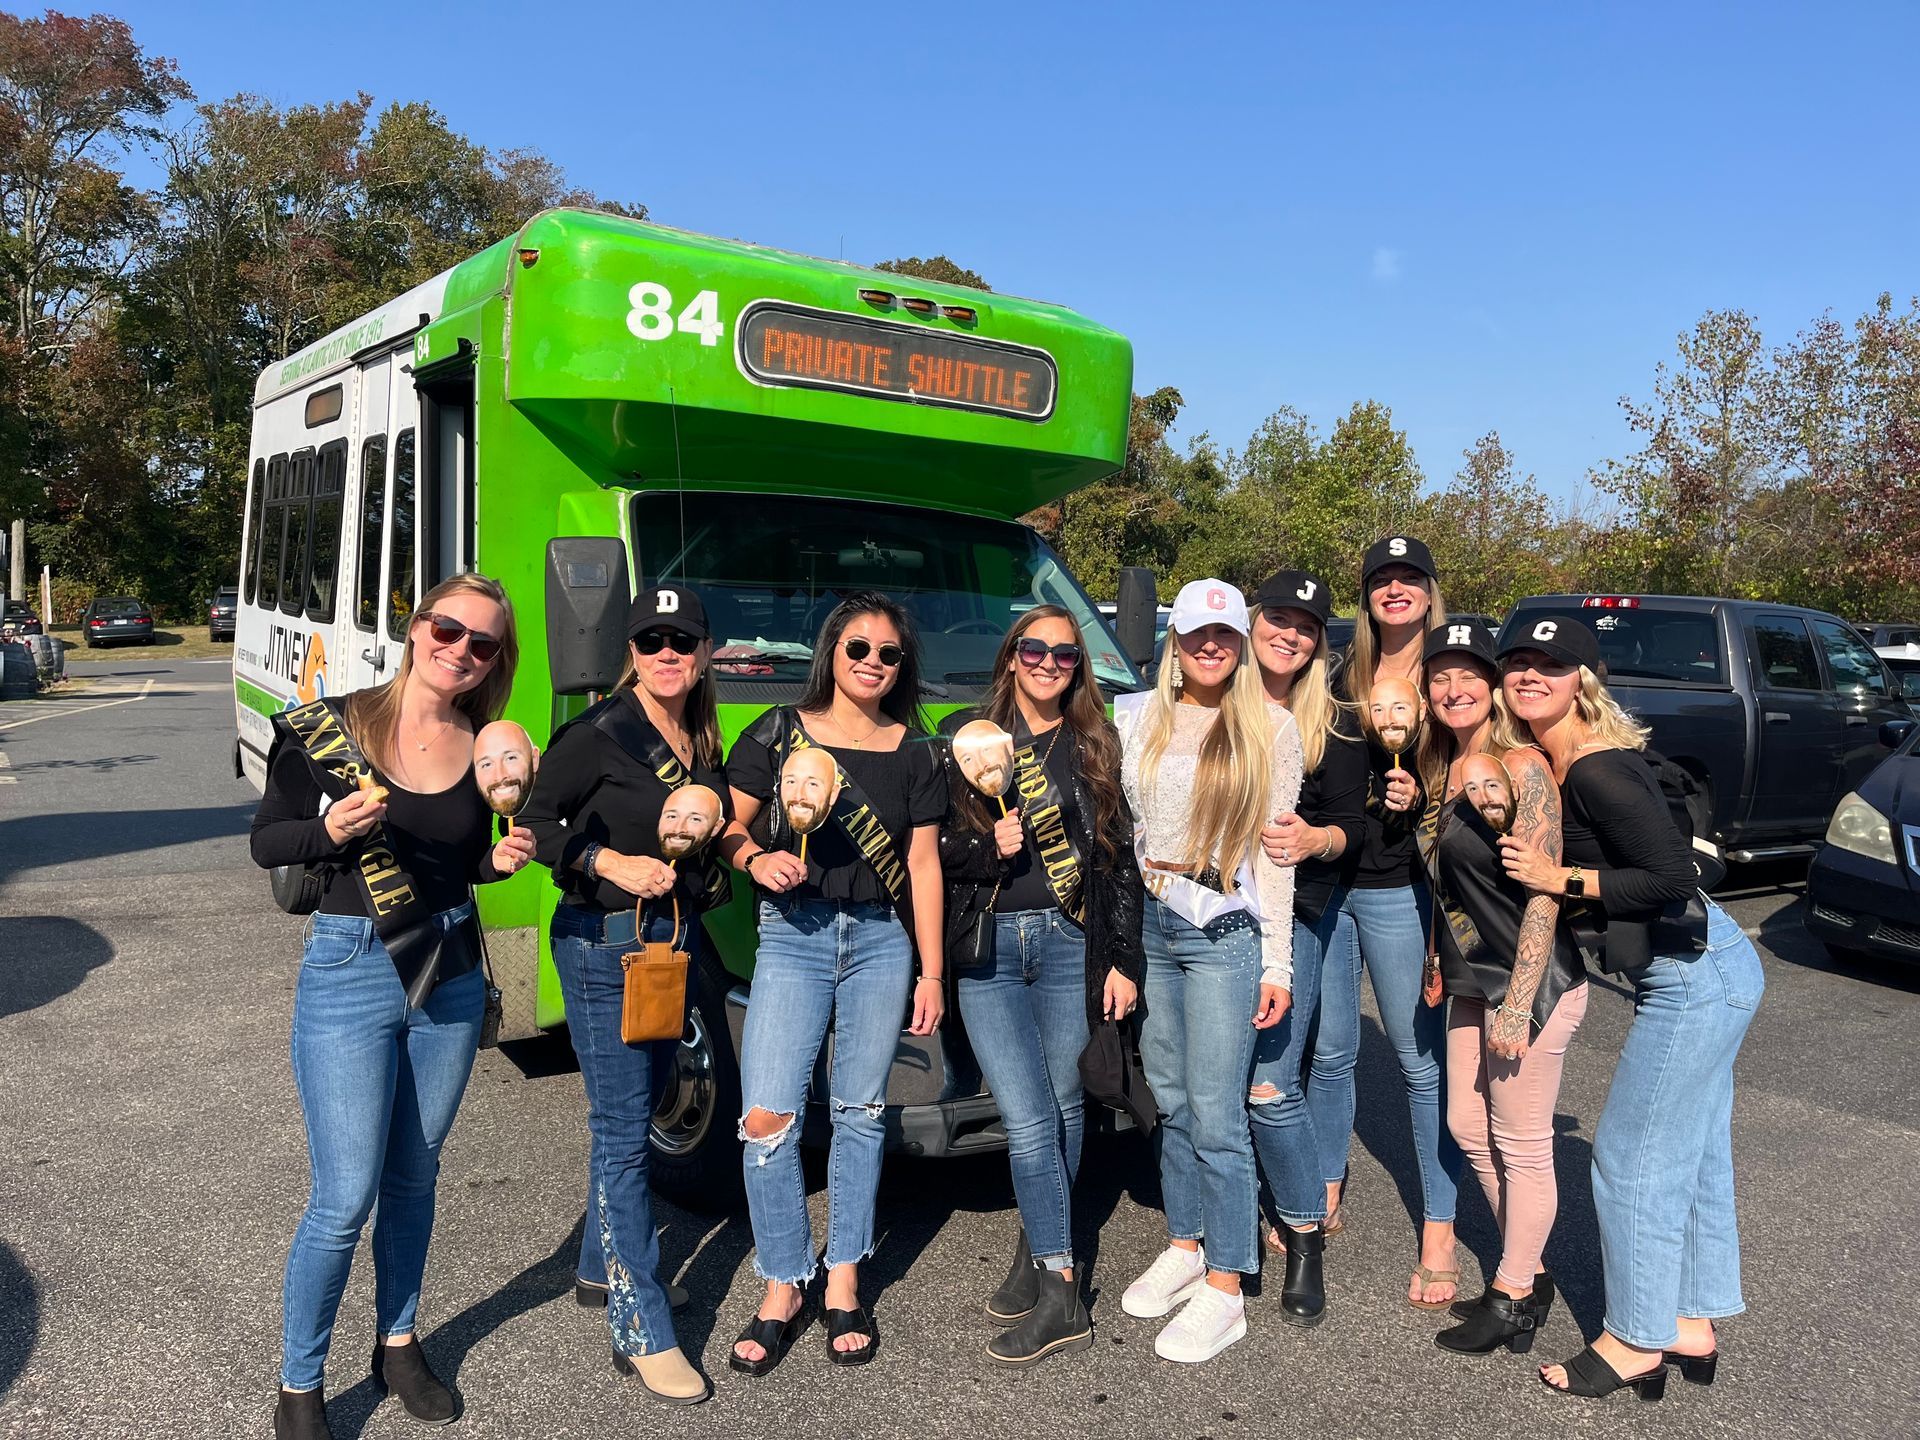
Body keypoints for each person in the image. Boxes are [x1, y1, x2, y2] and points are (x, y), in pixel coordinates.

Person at [251, 575, 534, 1440]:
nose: (461, 650)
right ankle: (301, 1384)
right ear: (416, 628)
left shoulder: (486, 745)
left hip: (446, 969)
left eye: (482, 643)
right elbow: (268, 841)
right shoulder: (329, 726)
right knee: (344, 1195)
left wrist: (498, 863)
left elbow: (457, 862)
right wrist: (328, 832)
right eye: (449, 629)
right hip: (351, 966)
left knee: (417, 1175)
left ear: (495, 661)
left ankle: (399, 1341)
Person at [1497, 619, 1763, 1402]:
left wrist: (1558, 877)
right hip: (1708, 968)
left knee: (1629, 1162)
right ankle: (1689, 1321)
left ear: (1584, 677)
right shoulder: (1568, 758)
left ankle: (1634, 1341)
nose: (1529, 675)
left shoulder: (1595, 770)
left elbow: (1671, 878)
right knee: (1695, 1155)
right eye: (1517, 662)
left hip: (1695, 977)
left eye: (1550, 664)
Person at [718, 592, 948, 1373]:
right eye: (858, 649)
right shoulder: (777, 733)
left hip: (883, 941)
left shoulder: (916, 751)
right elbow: (726, 822)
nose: (873, 664)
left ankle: (844, 1274)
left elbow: (921, 865)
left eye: (888, 653)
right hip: (795, 934)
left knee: (860, 1113)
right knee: (766, 1118)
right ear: (832, 651)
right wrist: (754, 858)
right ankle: (784, 1280)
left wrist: (931, 969)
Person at [518, 584, 729, 1405]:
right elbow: (532, 824)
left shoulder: (698, 733)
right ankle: (640, 1325)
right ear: (630, 654)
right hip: (604, 946)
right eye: (650, 642)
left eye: (681, 640)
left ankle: (599, 1269)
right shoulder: (599, 733)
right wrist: (609, 864)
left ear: (705, 650)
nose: (666, 654)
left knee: (633, 1114)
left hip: (662, 946)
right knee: (622, 1131)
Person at [937, 605, 1145, 1366]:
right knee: (1027, 1118)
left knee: (1061, 1109)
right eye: (1036, 649)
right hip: (990, 950)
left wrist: (1124, 956)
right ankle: (1064, 1284)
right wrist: (979, 845)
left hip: (1068, 944)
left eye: (1065, 653)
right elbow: (928, 853)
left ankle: (1038, 1254)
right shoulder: (968, 738)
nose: (1050, 662)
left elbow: (1118, 860)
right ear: (1012, 656)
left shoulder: (1096, 743)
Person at [1115, 578, 1301, 1364]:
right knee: (1174, 1100)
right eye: (1196, 634)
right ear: (1175, 640)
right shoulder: (1137, 716)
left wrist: (1280, 959)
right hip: (1155, 922)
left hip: (1224, 927)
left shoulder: (1270, 725)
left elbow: (1277, 851)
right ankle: (1186, 1244)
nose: (1210, 647)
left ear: (1241, 641)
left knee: (1220, 1113)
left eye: (1224, 635)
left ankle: (1228, 1284)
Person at [1402, 623, 1589, 1357]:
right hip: (1470, 976)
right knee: (1467, 1127)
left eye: (1468, 677)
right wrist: (1433, 955)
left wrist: (1520, 996)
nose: (1453, 690)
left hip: (1530, 983)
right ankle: (1529, 1272)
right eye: (1439, 678)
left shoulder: (1521, 766)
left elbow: (1543, 895)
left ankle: (1513, 1298)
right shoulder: (1443, 767)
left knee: (1522, 1143)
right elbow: (1443, 876)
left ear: (1493, 686)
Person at [1310, 535, 1464, 1308]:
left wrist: (1423, 796)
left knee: (1417, 1058)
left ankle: (1440, 1224)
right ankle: (1326, 1187)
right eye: (1381, 579)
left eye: (1409, 578)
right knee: (1332, 1051)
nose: (1395, 590)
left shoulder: (1451, 674)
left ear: (1430, 590)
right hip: (1332, 881)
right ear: (1367, 594)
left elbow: (1480, 768)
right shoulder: (1338, 671)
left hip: (1401, 889)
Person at [1244, 570, 1366, 1327]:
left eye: (1306, 626)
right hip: (1218, 913)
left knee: (1277, 1073)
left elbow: (1349, 824)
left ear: (1320, 642)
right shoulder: (1215, 698)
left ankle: (1306, 1212)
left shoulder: (1338, 720)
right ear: (1255, 621)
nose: (1289, 633)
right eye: (1278, 618)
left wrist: (1316, 837)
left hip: (1305, 908)